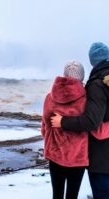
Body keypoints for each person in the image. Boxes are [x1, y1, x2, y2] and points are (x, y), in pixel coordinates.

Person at [50, 42, 109, 199]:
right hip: (80, 156)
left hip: (99, 157)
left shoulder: (96, 85)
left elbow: (91, 121)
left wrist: (62, 123)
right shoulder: (92, 90)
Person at [42, 61, 88, 199]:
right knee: (72, 195)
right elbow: (88, 124)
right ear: (81, 77)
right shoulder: (86, 98)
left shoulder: (50, 97)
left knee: (57, 194)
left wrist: (48, 141)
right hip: (77, 155)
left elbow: (45, 124)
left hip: (55, 152)